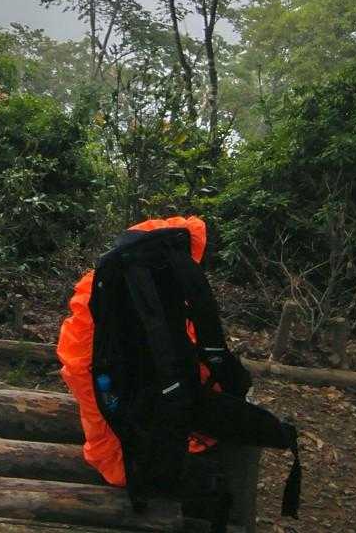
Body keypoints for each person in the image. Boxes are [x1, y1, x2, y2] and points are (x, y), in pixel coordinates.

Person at [55, 215, 300, 519]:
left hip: (128, 434)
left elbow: (79, 370)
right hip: (149, 445)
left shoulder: (104, 289)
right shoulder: (163, 295)